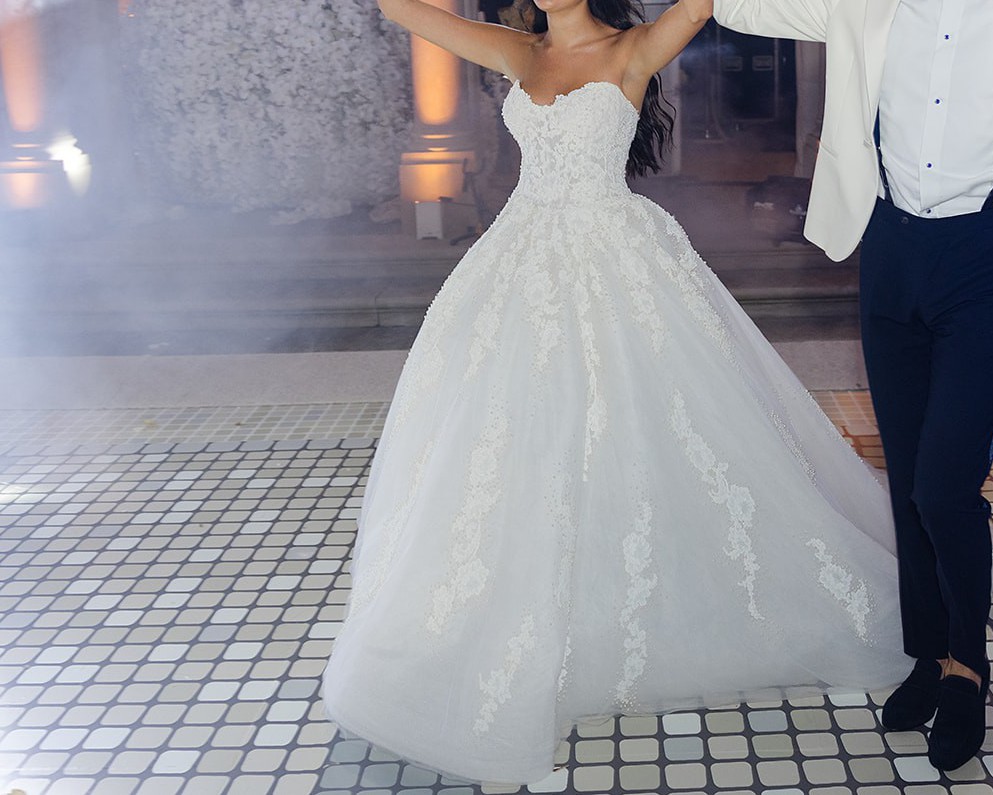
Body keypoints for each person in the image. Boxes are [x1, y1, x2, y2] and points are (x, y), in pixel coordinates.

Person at [322, 0, 911, 784]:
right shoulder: (519, 51)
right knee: (514, 442)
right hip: (520, 263)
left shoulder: (633, 50)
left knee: (645, 429)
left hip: (613, 263)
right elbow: (400, 9)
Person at [713, 0, 993, 772]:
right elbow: (735, 7)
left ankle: (968, 667)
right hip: (891, 251)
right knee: (907, 481)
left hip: (983, 254)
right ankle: (929, 653)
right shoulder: (861, 4)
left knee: (943, 486)